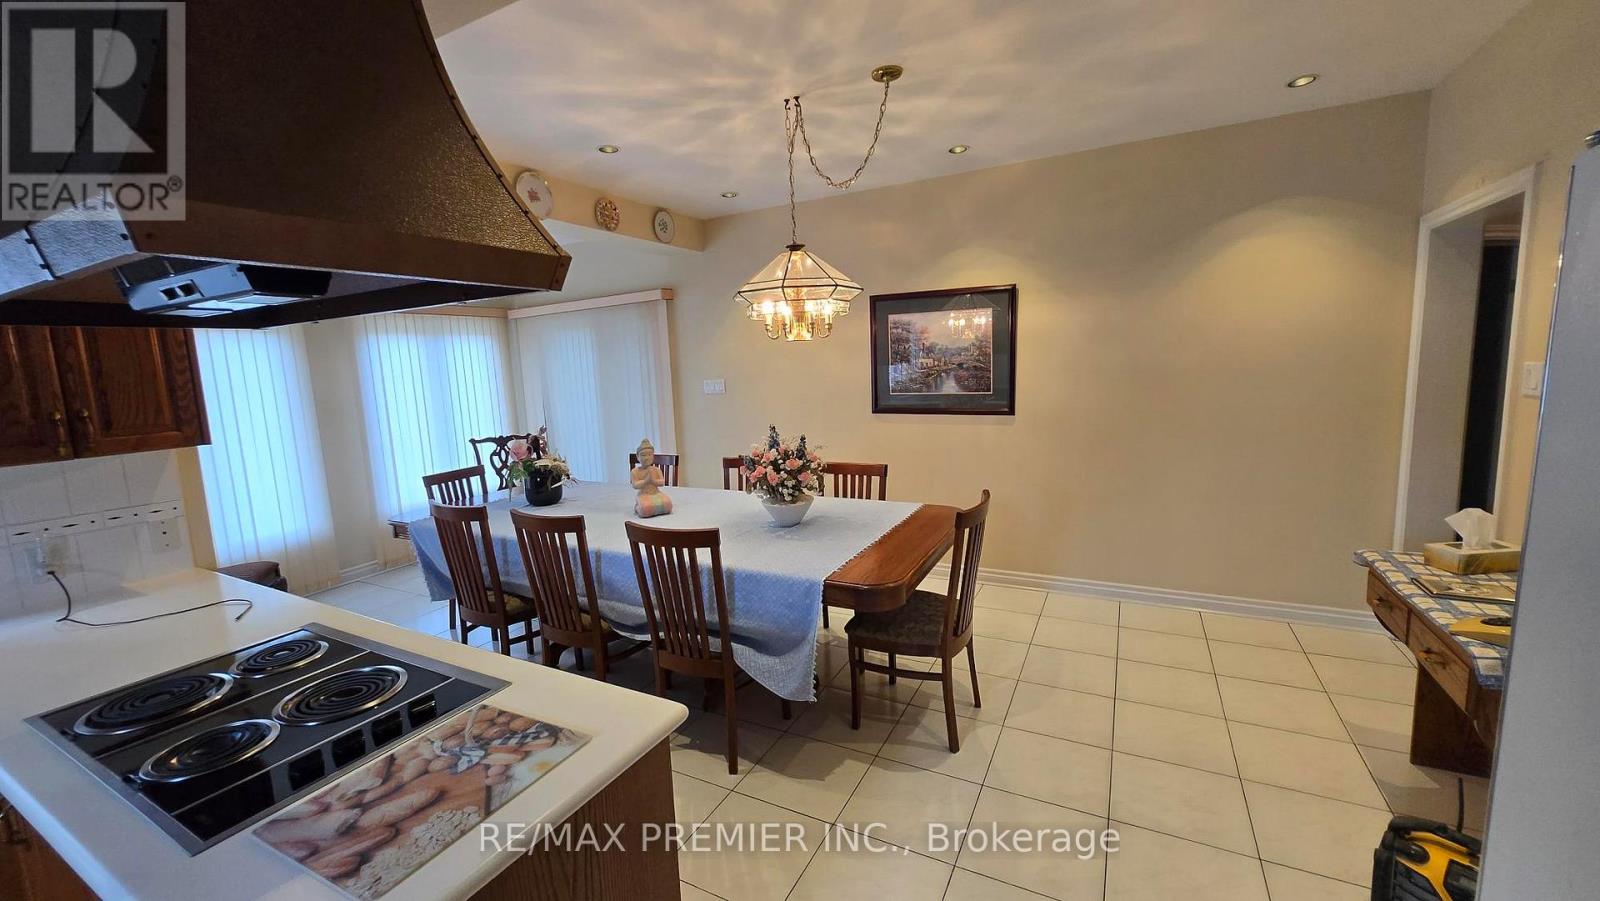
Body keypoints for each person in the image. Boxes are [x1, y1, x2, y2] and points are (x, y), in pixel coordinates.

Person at [631, 438, 672, 517]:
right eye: (643, 455)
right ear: (638, 456)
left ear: (653, 456)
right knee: (644, 509)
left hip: (656, 493)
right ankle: (638, 507)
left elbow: (662, 482)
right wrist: (645, 481)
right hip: (644, 494)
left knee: (668, 504)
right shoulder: (635, 471)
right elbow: (635, 485)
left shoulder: (656, 470)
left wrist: (653, 481)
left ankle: (651, 509)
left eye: (650, 455)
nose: (647, 458)